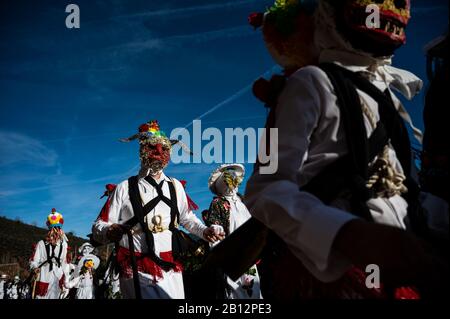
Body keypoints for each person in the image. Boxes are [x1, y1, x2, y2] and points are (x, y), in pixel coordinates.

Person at [243, 0, 446, 299]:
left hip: (406, 273)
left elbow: (401, 189)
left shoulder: (386, 93)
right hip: (339, 276)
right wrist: (345, 234)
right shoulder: (308, 82)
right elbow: (264, 189)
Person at [92, 119, 224, 299]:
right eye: (152, 147)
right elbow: (99, 224)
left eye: (164, 150)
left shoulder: (176, 186)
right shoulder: (124, 188)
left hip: (171, 265)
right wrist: (109, 230)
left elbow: (187, 218)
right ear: (142, 150)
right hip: (137, 267)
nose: (158, 153)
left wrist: (204, 231)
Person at [203, 164, 262, 299]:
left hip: (249, 253)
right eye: (227, 179)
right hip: (231, 255)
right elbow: (215, 222)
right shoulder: (218, 203)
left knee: (254, 290)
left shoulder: (242, 201)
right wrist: (216, 228)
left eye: (233, 179)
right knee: (235, 292)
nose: (232, 183)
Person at [29, 208, 70, 299]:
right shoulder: (41, 243)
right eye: (53, 229)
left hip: (57, 277)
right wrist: (35, 268)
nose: (55, 232)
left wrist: (66, 279)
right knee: (40, 297)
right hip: (43, 275)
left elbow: (65, 263)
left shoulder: (64, 245)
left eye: (57, 229)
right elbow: (34, 260)